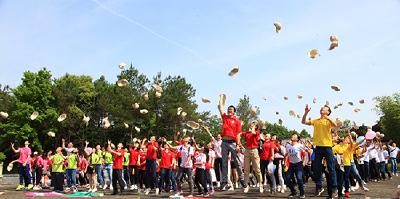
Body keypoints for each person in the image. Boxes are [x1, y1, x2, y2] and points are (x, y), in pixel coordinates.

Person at [302, 104, 338, 199]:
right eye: (321, 108)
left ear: (328, 112)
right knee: (316, 168)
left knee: (331, 168)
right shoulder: (316, 121)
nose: (322, 108)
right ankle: (319, 186)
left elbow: (335, 125)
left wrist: (327, 117)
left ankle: (334, 187)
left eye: (324, 109)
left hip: (327, 147)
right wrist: (306, 112)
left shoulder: (329, 121)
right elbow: (303, 122)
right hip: (317, 147)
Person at [217, 101, 246, 191]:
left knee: (237, 162)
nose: (229, 110)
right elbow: (220, 108)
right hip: (224, 142)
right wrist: (221, 99)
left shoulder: (237, 122)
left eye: (231, 110)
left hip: (233, 142)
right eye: (228, 109)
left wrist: (238, 144)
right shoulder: (225, 117)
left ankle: (241, 179)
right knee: (224, 163)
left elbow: (238, 134)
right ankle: (224, 182)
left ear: (234, 112)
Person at [240, 120, 263, 193]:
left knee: (257, 169)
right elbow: (239, 133)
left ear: (256, 126)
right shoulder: (247, 133)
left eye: (253, 124)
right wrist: (240, 125)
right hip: (247, 150)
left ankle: (260, 184)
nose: (251, 124)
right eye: (251, 123)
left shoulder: (257, 132)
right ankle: (246, 185)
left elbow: (254, 133)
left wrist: (254, 126)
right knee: (246, 170)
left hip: (254, 151)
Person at [285, 133, 306, 198]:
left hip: (298, 164)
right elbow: (287, 154)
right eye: (292, 135)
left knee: (299, 178)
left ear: (297, 139)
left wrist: (304, 162)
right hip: (291, 164)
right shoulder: (288, 146)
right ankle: (294, 192)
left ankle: (302, 193)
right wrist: (285, 162)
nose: (292, 136)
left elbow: (305, 153)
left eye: (294, 136)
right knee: (287, 179)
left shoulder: (300, 145)